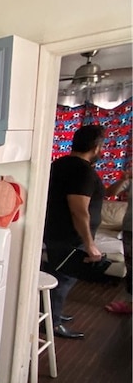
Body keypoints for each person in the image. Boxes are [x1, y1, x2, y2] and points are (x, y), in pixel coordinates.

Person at [43, 124, 130, 338]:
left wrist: (124, 180)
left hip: (58, 233)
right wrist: (90, 243)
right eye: (102, 145)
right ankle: (52, 324)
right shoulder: (81, 171)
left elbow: (104, 193)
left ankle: (52, 314)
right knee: (63, 280)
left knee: (59, 276)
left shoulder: (62, 164)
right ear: (96, 146)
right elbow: (79, 210)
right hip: (70, 237)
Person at [105, 193, 132, 314]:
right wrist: (123, 179)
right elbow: (110, 192)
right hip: (129, 228)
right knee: (130, 267)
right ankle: (130, 303)